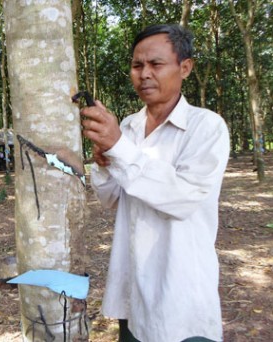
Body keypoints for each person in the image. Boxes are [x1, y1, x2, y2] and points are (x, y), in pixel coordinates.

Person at [81, 24, 230, 342]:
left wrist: (119, 147)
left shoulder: (206, 127)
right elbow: (111, 199)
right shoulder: (129, 126)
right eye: (137, 65)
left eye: (156, 64)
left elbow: (182, 197)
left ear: (185, 67)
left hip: (181, 297)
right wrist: (105, 162)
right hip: (133, 293)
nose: (144, 74)